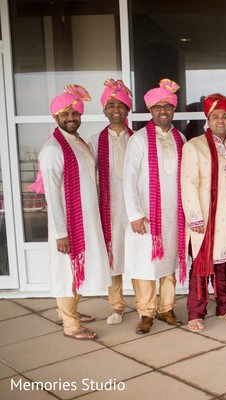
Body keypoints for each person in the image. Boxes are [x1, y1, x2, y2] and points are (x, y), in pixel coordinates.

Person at [36, 85, 110, 340]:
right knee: (66, 272)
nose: (71, 118)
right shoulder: (53, 150)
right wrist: (60, 233)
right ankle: (70, 324)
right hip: (67, 226)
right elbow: (52, 197)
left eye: (75, 114)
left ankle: (69, 311)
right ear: (55, 117)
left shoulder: (76, 142)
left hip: (85, 220)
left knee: (79, 269)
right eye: (65, 114)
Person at [123, 79, 187, 334]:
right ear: (150, 111)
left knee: (168, 262)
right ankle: (145, 312)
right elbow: (128, 179)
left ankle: (167, 308)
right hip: (147, 216)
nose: (163, 111)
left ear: (173, 110)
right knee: (144, 264)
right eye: (158, 107)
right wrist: (135, 214)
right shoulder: (138, 140)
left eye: (168, 107)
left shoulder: (181, 138)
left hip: (173, 214)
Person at [181, 93, 226, 331]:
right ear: (208, 119)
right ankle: (196, 312)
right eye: (215, 116)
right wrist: (194, 216)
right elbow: (188, 183)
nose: (220, 120)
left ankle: (224, 306)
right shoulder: (194, 146)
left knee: (223, 263)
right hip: (205, 217)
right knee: (200, 265)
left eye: (224, 116)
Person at [89, 79, 134, 325]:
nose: (116, 109)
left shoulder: (137, 139)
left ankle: (147, 304)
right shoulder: (95, 141)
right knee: (113, 257)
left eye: (121, 105)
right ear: (104, 110)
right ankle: (117, 306)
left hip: (135, 209)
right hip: (109, 208)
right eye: (111, 104)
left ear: (128, 109)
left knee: (138, 255)